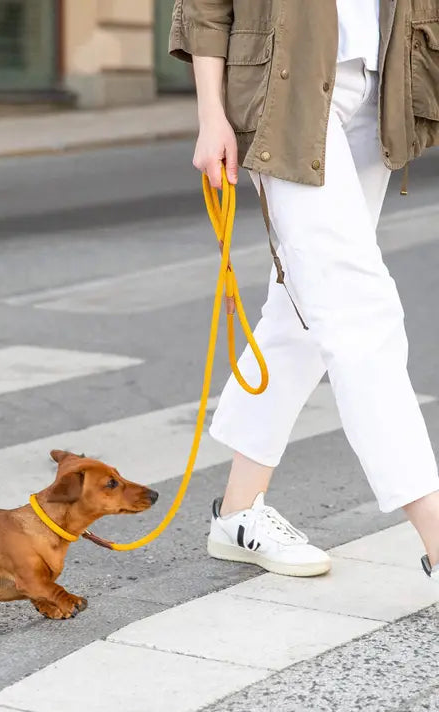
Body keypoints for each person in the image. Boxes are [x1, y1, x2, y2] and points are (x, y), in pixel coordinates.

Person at [169, 0, 439, 579]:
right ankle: (436, 532)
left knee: (305, 308)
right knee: (357, 311)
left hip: (376, 91)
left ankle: (238, 514)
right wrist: (211, 114)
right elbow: (207, 7)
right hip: (283, 98)